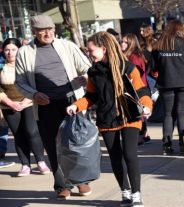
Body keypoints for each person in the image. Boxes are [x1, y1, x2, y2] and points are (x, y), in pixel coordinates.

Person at [66, 31, 152, 207]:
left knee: (129, 154)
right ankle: (125, 192)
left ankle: (136, 194)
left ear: (103, 49)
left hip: (129, 116)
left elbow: (142, 91)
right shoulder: (93, 72)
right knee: (115, 157)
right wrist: (76, 105)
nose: (89, 54)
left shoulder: (126, 67)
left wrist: (147, 106)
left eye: (91, 50)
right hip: (107, 118)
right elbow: (91, 96)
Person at [15, 15, 91, 200]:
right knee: (52, 145)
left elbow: (87, 67)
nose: (47, 33)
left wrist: (85, 78)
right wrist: (33, 94)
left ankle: (80, 180)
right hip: (45, 105)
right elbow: (20, 82)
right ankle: (62, 185)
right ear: (34, 32)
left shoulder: (67, 46)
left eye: (50, 29)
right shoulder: (25, 52)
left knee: (75, 143)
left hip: (71, 101)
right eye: (42, 31)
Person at [0, 38, 50, 177]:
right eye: (7, 50)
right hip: (8, 106)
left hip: (29, 103)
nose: (10, 53)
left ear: (19, 50)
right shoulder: (1, 67)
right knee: (19, 135)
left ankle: (40, 162)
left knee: (32, 132)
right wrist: (10, 103)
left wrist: (26, 101)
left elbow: (36, 85)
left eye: (13, 49)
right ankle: (25, 165)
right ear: (3, 52)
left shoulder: (27, 65)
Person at [151, 20, 184, 155]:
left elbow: (154, 68)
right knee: (183, 113)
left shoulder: (158, 45)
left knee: (168, 114)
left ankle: (167, 145)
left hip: (167, 83)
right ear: (180, 29)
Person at [121, 33, 151, 144]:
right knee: (139, 111)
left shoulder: (133, 57)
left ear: (131, 44)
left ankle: (140, 136)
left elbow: (136, 73)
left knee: (137, 112)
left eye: (125, 42)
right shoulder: (132, 55)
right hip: (137, 88)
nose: (122, 44)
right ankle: (144, 135)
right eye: (122, 41)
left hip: (137, 89)